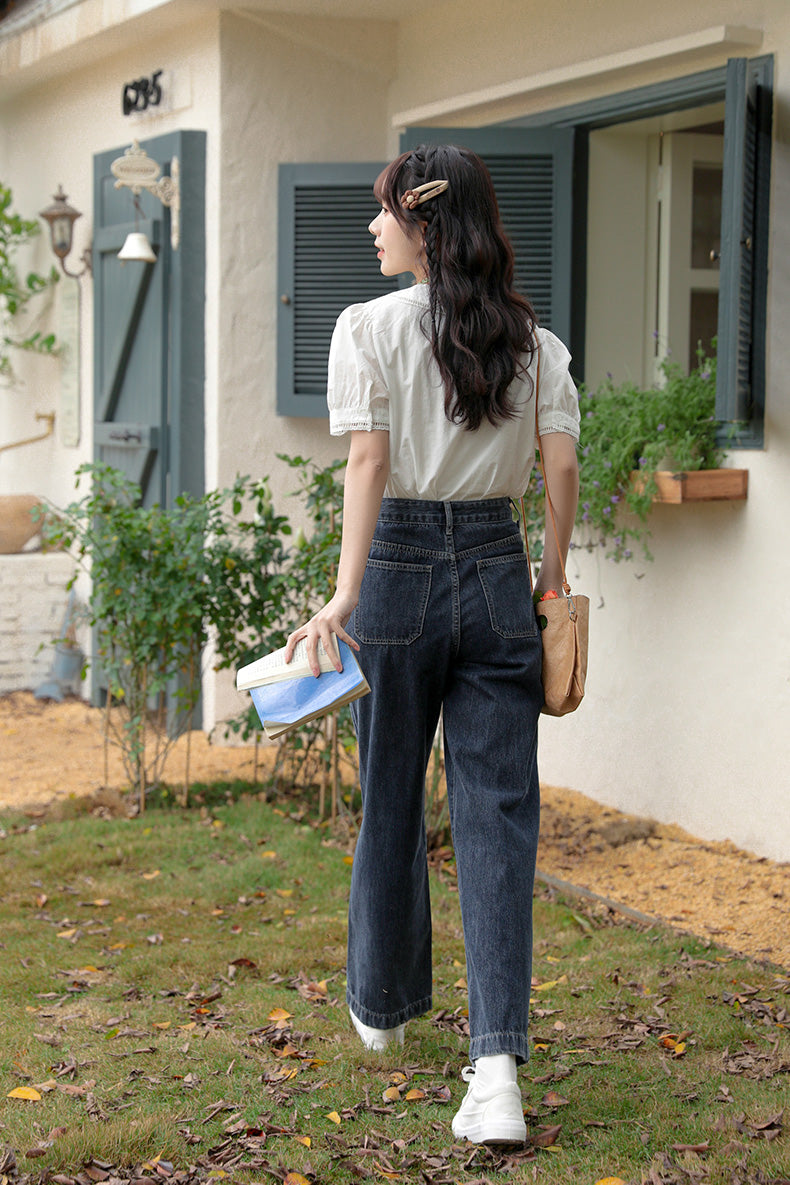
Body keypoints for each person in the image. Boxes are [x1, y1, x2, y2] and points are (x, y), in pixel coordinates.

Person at [284, 144, 580, 1146]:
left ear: (422, 223)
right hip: (500, 568)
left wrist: (343, 594)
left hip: (400, 570)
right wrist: (551, 579)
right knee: (499, 818)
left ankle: (384, 1004)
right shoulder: (532, 341)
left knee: (390, 797)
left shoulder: (365, 327)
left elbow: (366, 462)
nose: (370, 229)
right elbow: (559, 465)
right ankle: (494, 1070)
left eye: (381, 213)